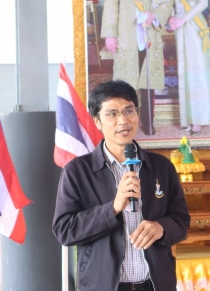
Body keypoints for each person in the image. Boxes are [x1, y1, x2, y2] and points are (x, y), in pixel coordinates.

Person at [52, 80, 190, 291]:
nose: (123, 120)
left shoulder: (162, 167)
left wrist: (162, 228)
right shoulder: (77, 171)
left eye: (129, 111)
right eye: (112, 114)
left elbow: (182, 222)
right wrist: (113, 208)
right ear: (97, 121)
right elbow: (65, 230)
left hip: (155, 285)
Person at [101, 0, 174, 135]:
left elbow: (167, 2)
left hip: (149, 36)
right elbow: (111, 6)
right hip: (126, 36)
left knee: (148, 82)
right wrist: (110, 35)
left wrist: (154, 16)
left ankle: (148, 122)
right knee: (125, 83)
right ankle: (125, 123)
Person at [167, 0, 210, 136]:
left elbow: (203, 3)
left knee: (197, 71)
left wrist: (183, 19)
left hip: (194, 26)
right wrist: (172, 17)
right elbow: (172, 1)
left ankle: (199, 119)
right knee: (184, 71)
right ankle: (186, 118)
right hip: (179, 28)